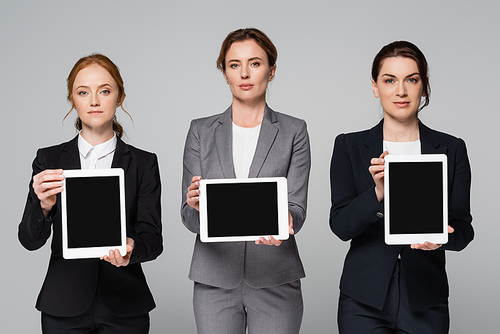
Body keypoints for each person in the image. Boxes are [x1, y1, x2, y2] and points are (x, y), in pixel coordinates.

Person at [329, 41, 474, 333]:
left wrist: (442, 238)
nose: (401, 91)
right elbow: (341, 226)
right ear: (375, 87)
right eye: (389, 80)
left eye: (411, 79)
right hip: (363, 300)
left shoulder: (451, 148)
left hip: (425, 298)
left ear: (424, 86)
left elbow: (463, 229)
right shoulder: (349, 145)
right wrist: (378, 193)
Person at [18, 54, 162, 334]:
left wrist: (131, 250)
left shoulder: (144, 163)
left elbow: (153, 239)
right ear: (73, 100)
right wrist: (44, 207)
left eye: (104, 91)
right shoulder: (48, 159)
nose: (94, 101)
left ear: (119, 97)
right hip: (63, 303)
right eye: (83, 92)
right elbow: (29, 239)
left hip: (125, 304)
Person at [181, 28, 311, 334]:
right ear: (224, 73)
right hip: (214, 279)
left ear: (271, 70)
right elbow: (187, 216)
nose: (244, 73)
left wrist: (287, 222)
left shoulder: (294, 131)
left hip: (275, 274)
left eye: (255, 63)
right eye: (234, 64)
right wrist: (195, 205)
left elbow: (297, 206)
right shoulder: (200, 131)